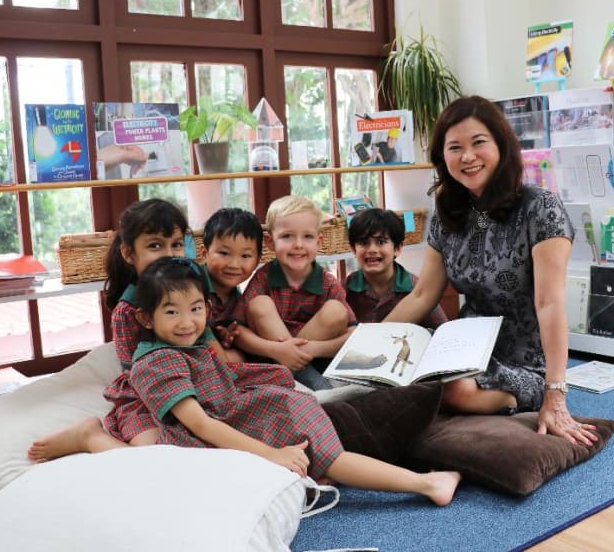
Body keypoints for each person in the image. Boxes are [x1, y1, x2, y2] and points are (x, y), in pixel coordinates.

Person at [62, 257, 462, 504]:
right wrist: (269, 454)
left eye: (196, 309)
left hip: (229, 414)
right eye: (172, 312)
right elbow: (199, 424)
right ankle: (92, 438)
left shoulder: (194, 348)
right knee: (151, 468)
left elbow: (223, 377)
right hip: (197, 432)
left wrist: (273, 377)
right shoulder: (154, 364)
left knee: (322, 443)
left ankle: (424, 482)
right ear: (147, 319)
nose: (188, 322)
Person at [384, 95, 598, 446]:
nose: (467, 156)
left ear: (502, 146)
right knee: (408, 366)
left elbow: (550, 303)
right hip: (467, 346)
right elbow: (423, 294)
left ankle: (523, 395)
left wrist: (556, 394)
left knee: (455, 390)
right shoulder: (446, 214)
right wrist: (371, 343)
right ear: (443, 158)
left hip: (528, 359)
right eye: (455, 147)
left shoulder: (541, 208)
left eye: (478, 142)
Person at [29, 198, 200, 460]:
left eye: (176, 245)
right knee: (155, 457)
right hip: (146, 393)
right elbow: (135, 372)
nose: (169, 254)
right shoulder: (128, 310)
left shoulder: (189, 285)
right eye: (155, 246)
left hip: (190, 381)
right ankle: (89, 436)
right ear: (129, 254)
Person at [232, 195, 356, 391]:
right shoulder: (263, 278)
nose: (298, 245)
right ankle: (320, 387)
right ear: (270, 241)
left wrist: (310, 349)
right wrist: (279, 350)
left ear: (319, 241)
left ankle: (299, 377)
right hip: (272, 358)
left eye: (307, 236)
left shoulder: (327, 282)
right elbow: (238, 331)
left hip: (314, 357)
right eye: (287, 236)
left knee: (336, 310)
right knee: (259, 304)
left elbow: (352, 334)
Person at [344, 207, 448, 329]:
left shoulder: (415, 288)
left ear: (397, 248)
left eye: (381, 242)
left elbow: (441, 330)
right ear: (353, 249)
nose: (372, 249)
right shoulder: (344, 290)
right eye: (363, 242)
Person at [195, 207, 265, 360]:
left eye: (245, 255)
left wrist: (226, 338)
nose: (234, 264)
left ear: (258, 260)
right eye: (224, 253)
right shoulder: (192, 285)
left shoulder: (239, 298)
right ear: (204, 253)